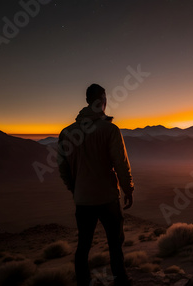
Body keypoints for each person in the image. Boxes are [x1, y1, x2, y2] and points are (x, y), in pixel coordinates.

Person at [57, 84, 134, 286]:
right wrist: (128, 188)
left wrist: (75, 189)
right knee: (115, 242)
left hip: (83, 199)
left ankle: (83, 282)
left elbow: (63, 168)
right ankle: (121, 280)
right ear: (103, 100)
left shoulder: (67, 133)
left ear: (86, 100)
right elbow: (120, 163)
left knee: (83, 244)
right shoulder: (109, 129)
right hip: (108, 197)